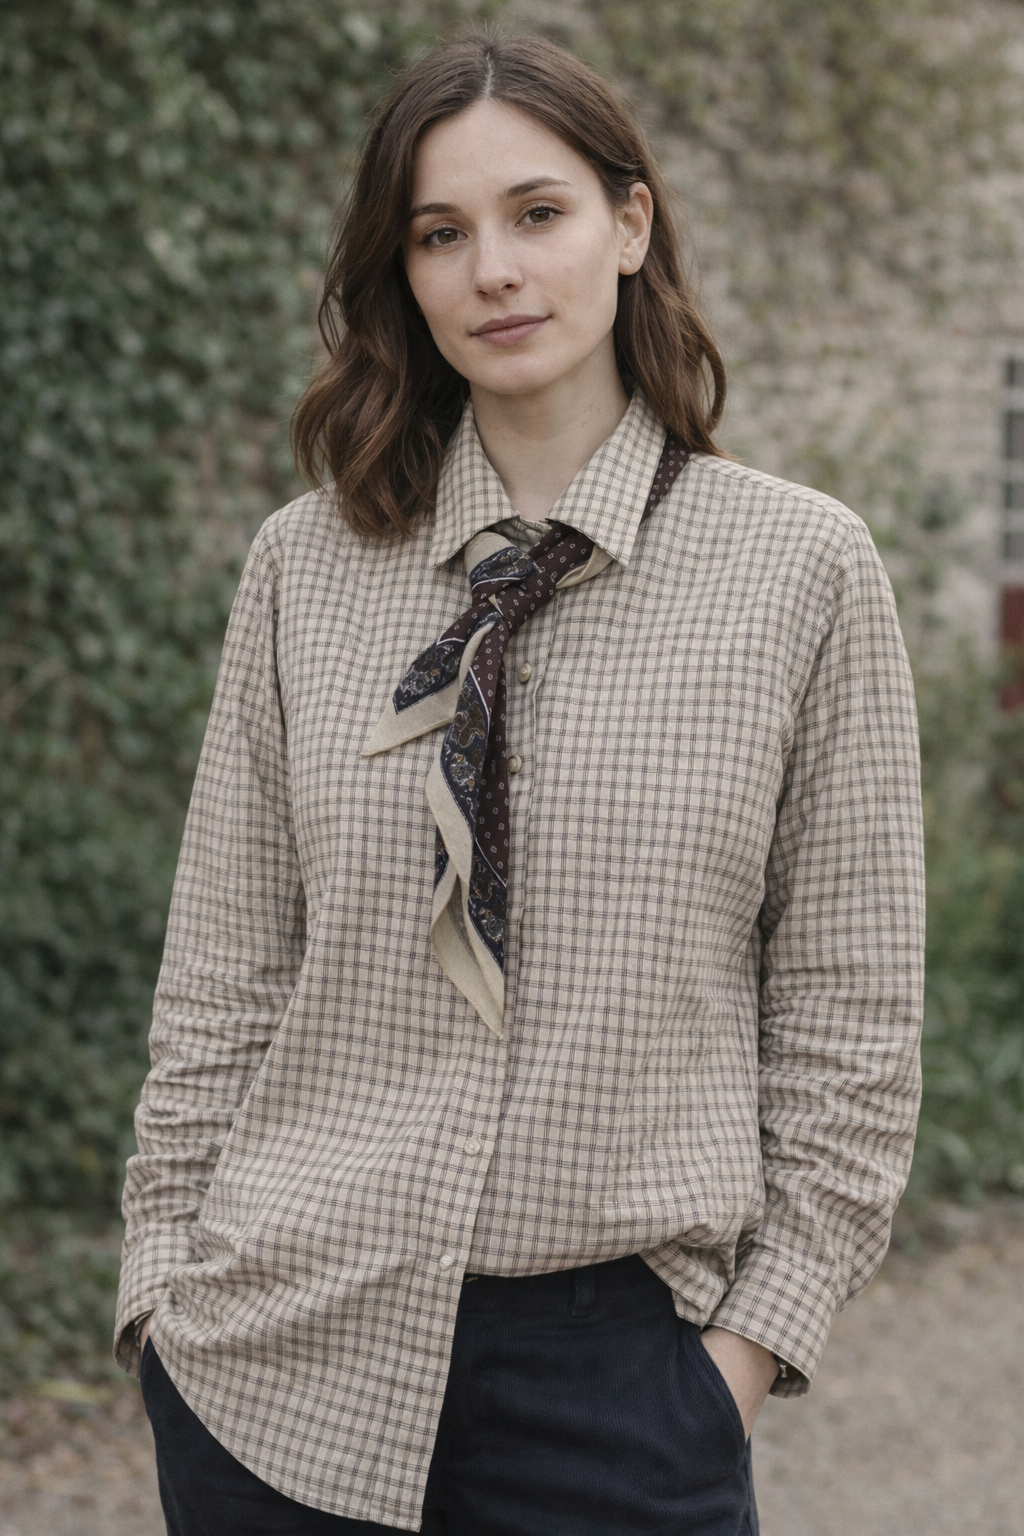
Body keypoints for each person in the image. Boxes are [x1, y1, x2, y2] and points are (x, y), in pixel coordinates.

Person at [115, 32, 925, 1536]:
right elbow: (223, 976)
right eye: (440, 233)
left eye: (536, 213)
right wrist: (162, 1296)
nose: (493, 267)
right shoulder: (308, 568)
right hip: (277, 1362)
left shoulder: (803, 569)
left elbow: (849, 1024)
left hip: (622, 1389)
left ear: (630, 226)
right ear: (404, 277)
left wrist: (740, 1359)